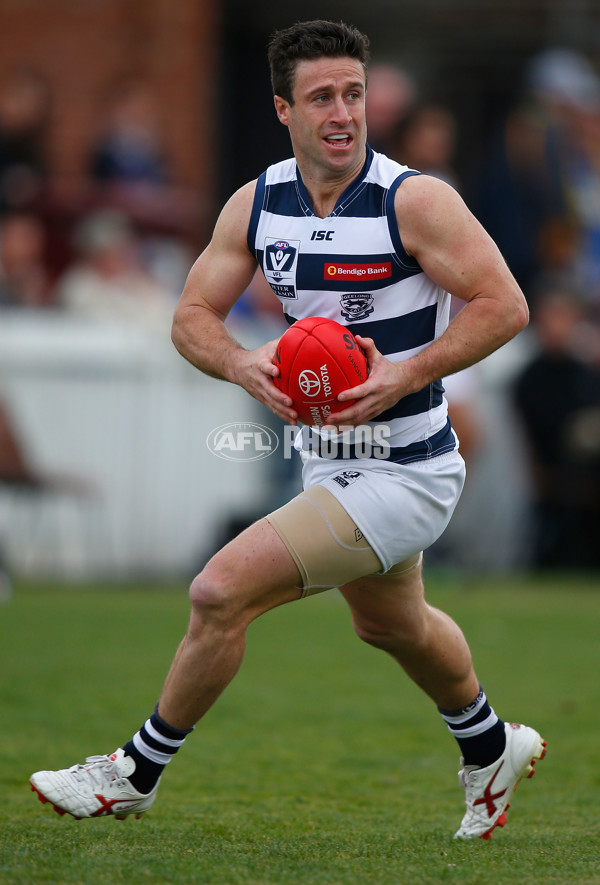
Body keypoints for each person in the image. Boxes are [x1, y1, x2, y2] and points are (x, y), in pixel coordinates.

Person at [29, 20, 545, 841]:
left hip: (408, 469)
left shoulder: (414, 200)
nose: (343, 113)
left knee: (218, 591)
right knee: (390, 625)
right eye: (321, 98)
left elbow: (507, 305)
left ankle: (133, 772)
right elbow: (192, 316)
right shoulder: (260, 203)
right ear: (282, 108)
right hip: (326, 461)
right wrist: (242, 364)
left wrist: (406, 373)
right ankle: (491, 744)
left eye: (354, 93)